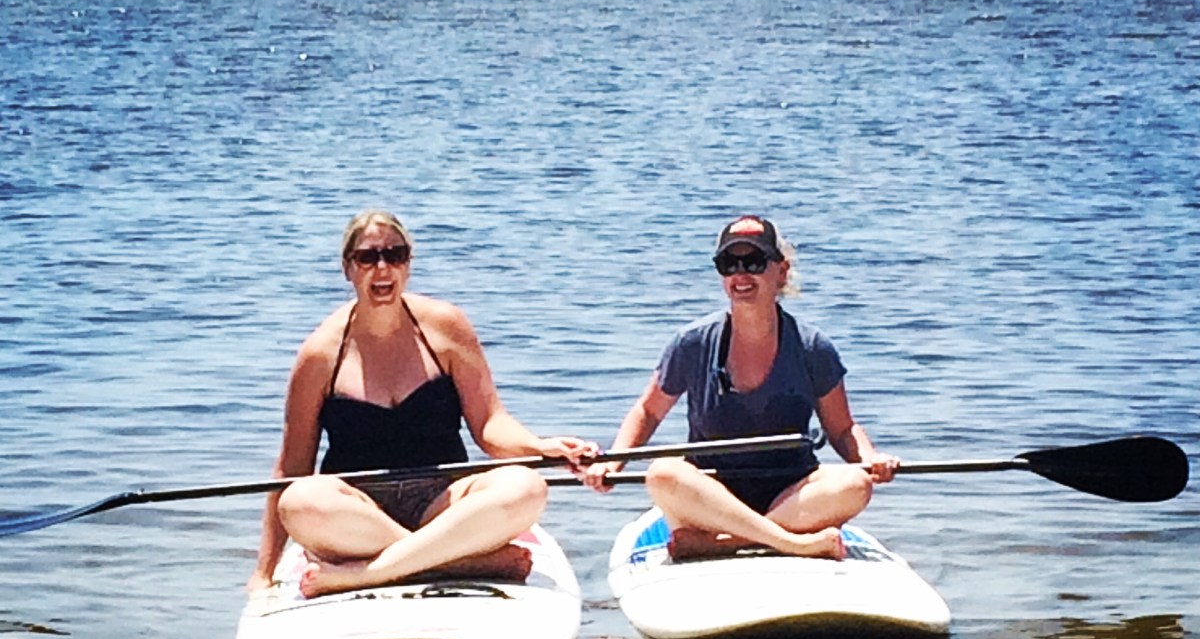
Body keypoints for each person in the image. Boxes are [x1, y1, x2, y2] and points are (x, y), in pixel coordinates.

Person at [249, 209, 595, 599]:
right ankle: (459, 562)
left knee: (527, 486)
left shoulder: (447, 327)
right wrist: (264, 572)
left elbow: (490, 425)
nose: (383, 268)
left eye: (394, 255)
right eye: (368, 257)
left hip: (442, 505)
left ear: (408, 264)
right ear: (348, 268)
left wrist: (541, 446)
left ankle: (369, 573)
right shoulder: (319, 354)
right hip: (358, 515)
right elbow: (292, 466)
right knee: (299, 502)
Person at [583, 215, 898, 560]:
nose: (741, 274)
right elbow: (648, 411)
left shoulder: (813, 347)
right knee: (663, 474)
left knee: (855, 484)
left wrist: (869, 459)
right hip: (710, 496)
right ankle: (790, 541)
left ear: (781, 271)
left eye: (754, 262)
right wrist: (612, 463)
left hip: (791, 495)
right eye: (729, 264)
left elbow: (842, 428)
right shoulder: (692, 343)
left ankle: (725, 543)